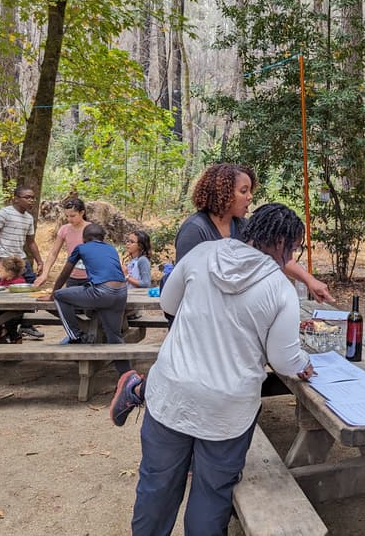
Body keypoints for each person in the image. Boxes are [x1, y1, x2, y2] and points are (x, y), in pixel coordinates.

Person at [109, 203, 315, 536]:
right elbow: (284, 360)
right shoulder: (281, 289)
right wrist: (303, 364)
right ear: (285, 245)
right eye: (295, 248)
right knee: (211, 494)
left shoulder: (203, 254)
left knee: (157, 487)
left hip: (170, 393)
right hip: (227, 410)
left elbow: (168, 305)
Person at [174, 163, 333, 303]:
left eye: (250, 190)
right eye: (244, 191)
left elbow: (276, 254)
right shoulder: (195, 230)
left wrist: (309, 280)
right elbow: (184, 284)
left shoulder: (243, 226)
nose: (250, 197)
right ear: (223, 193)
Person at [39, 224, 130, 373]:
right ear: (103, 238)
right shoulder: (111, 248)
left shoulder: (81, 248)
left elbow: (64, 273)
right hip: (121, 293)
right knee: (114, 336)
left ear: (83, 238)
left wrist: (52, 293)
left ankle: (76, 336)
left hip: (102, 292)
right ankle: (127, 374)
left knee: (59, 296)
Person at [0, 186, 45, 339]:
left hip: (21, 261)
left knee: (32, 290)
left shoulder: (29, 218)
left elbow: (30, 242)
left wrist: (39, 261)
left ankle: (25, 325)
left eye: (32, 197)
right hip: (3, 261)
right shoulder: (4, 213)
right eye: (27, 197)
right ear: (16, 198)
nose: (31, 200)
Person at [33, 197, 91, 288]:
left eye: (73, 216)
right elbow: (53, 253)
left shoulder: (92, 229)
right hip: (71, 276)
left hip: (91, 276)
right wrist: (44, 274)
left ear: (82, 213)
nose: (69, 219)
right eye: (67, 216)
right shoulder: (65, 229)